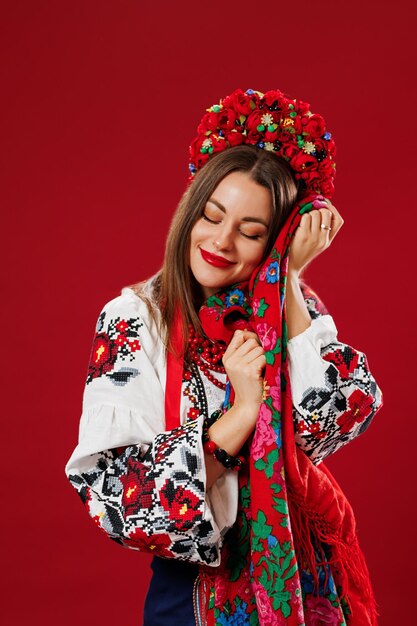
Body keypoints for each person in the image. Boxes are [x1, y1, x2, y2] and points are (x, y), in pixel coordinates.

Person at [65, 88, 383, 625]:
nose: (220, 241)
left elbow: (333, 423)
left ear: (275, 241)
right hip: (197, 596)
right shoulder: (136, 318)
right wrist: (240, 414)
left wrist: (288, 283)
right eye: (211, 216)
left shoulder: (295, 307)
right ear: (190, 211)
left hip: (308, 590)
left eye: (252, 232)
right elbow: (118, 495)